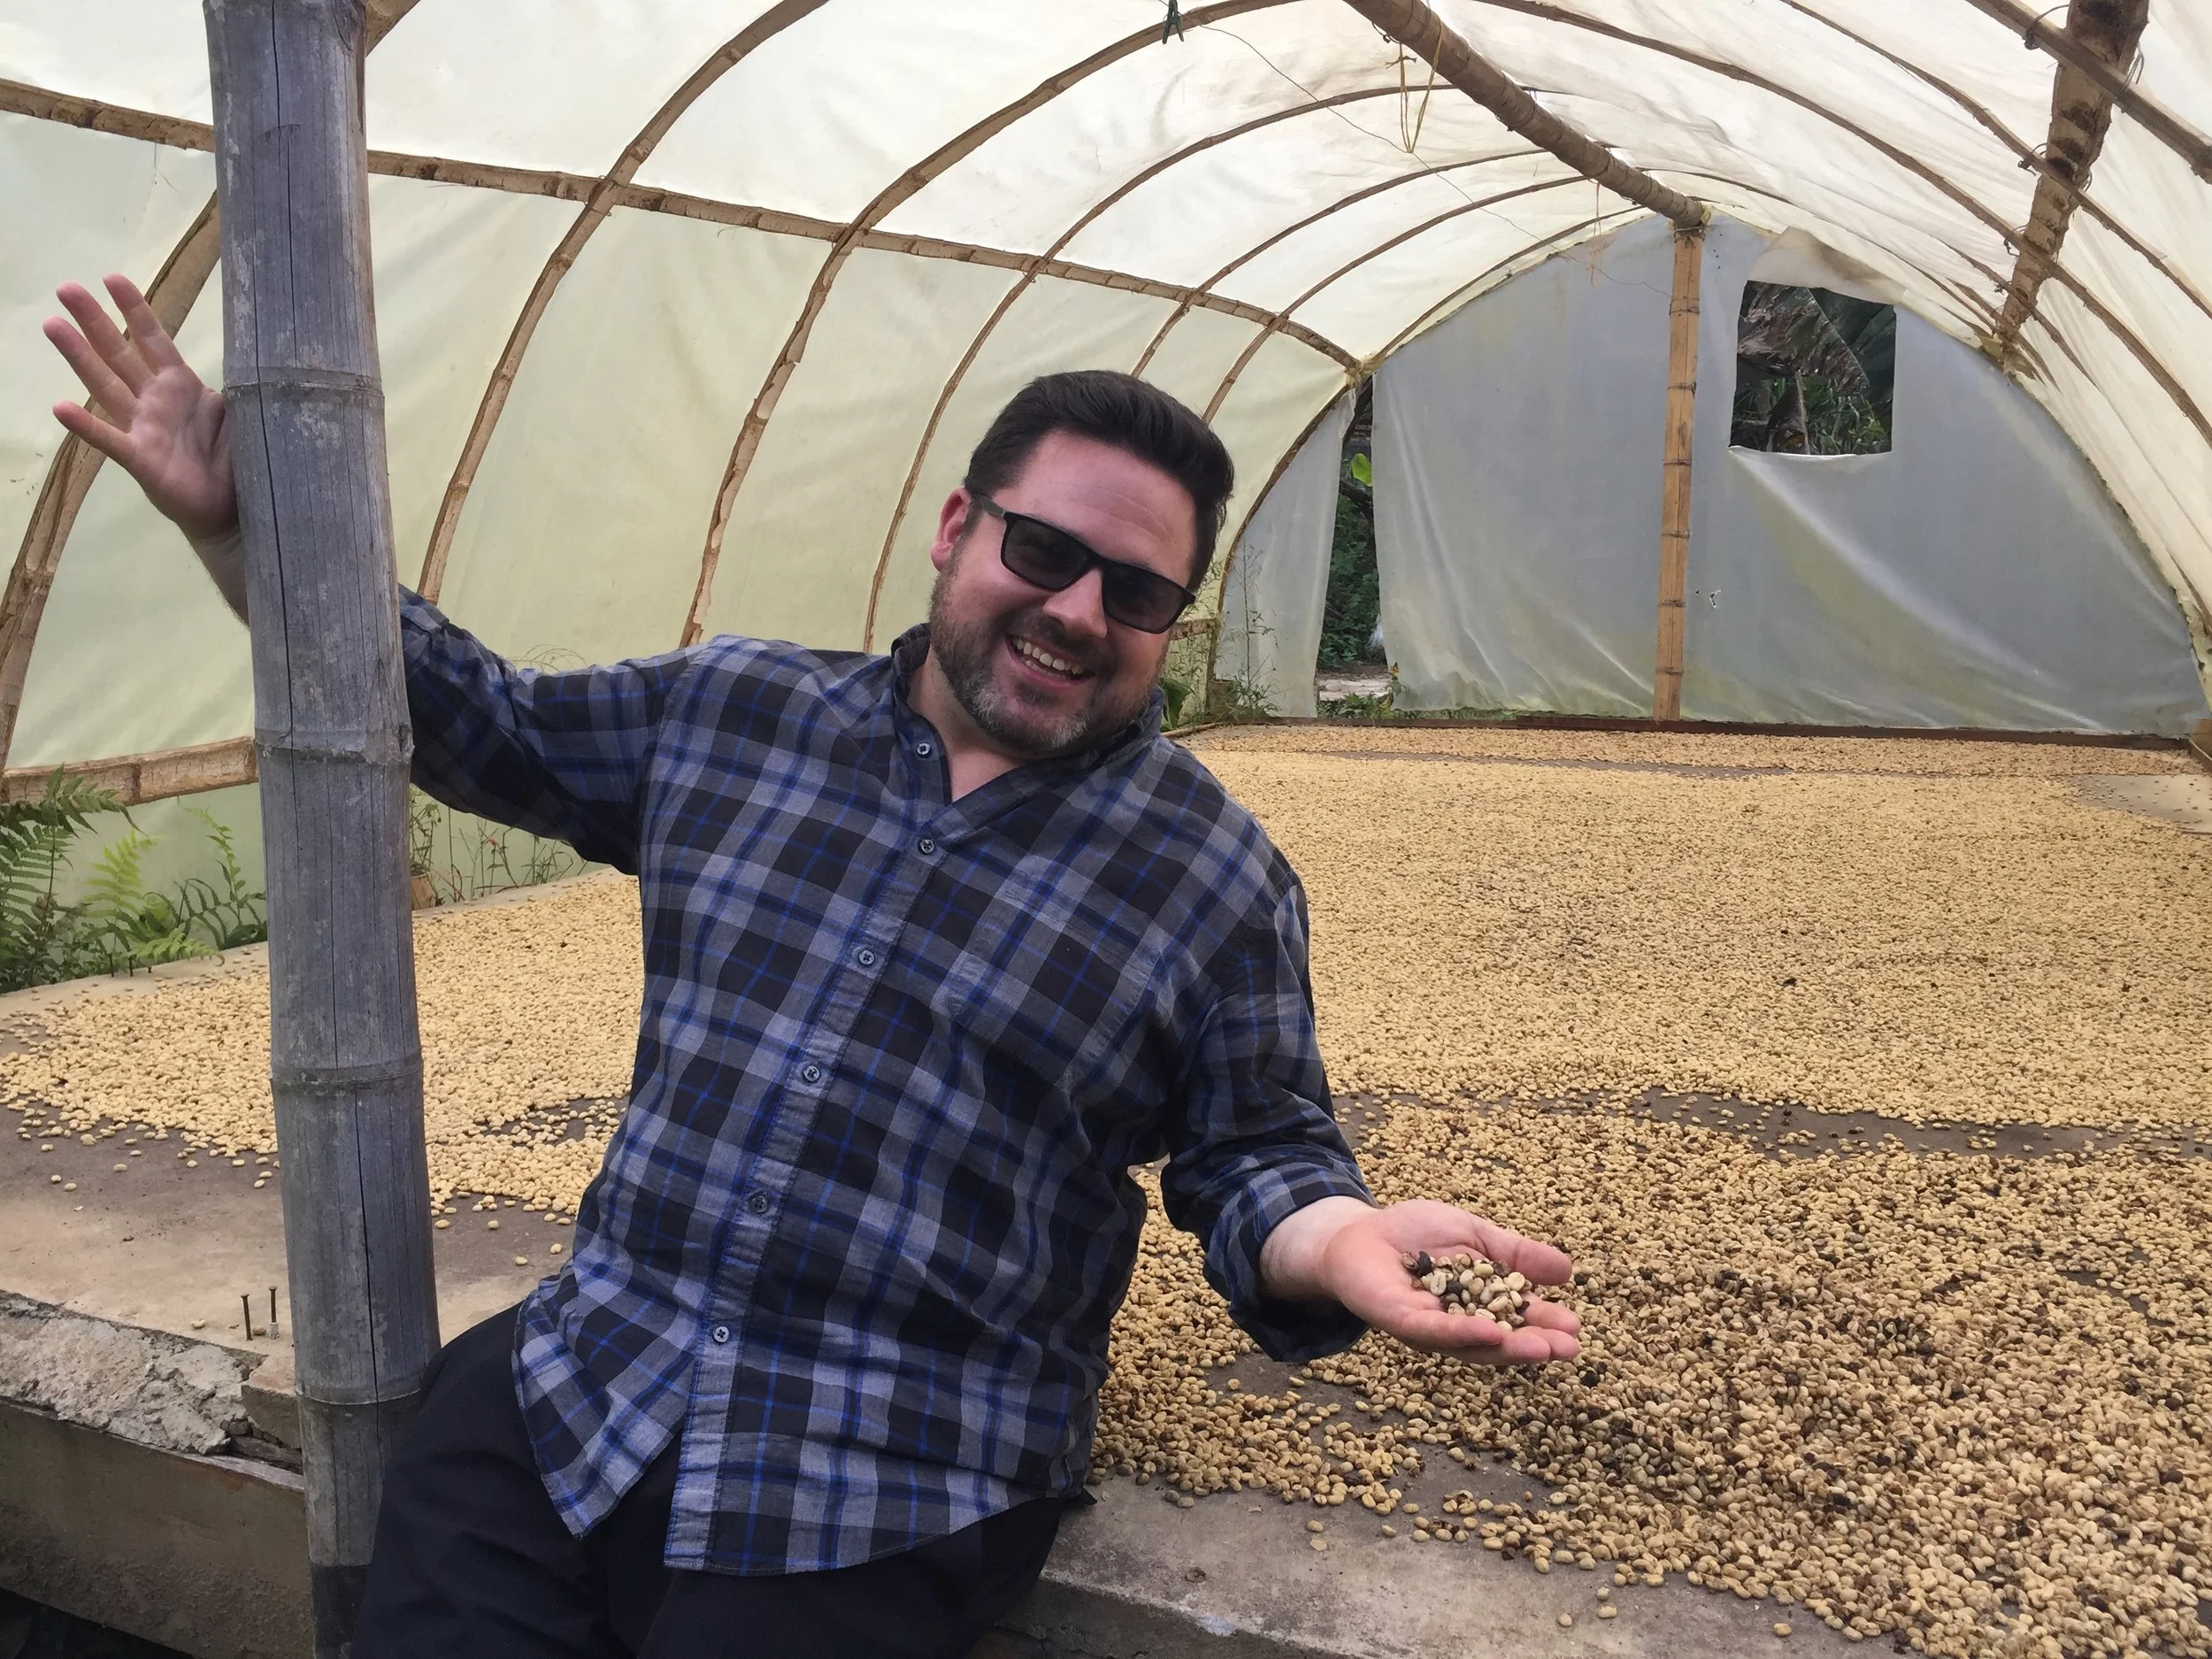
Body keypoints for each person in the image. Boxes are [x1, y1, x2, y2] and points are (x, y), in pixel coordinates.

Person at [43, 273, 1580, 1659]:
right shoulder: (736, 711)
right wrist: (240, 531)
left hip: (894, 1464)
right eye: (1044, 550)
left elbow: (1255, 1146)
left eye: (1135, 592)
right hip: (594, 1377)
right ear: (956, 527)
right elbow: (480, 720)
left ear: (1169, 622)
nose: (1076, 612)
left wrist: (1336, 1234)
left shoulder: (1212, 877)